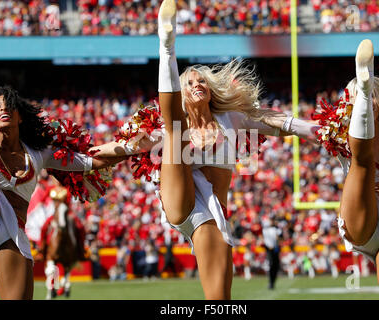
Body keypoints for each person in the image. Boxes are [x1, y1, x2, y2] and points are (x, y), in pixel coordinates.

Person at [92, 0, 287, 299]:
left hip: (212, 213)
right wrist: (86, 157)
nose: (198, 84)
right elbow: (124, 147)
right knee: (175, 130)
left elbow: (283, 124)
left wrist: (325, 131)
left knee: (221, 297)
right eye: (191, 82)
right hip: (181, 203)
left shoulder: (231, 121)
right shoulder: (171, 129)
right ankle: (166, 46)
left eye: (202, 81)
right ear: (181, 93)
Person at [262, 39, 379, 299]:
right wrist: (247, 115)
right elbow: (290, 124)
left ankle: (365, 83)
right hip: (359, 219)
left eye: (369, 97)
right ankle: (363, 81)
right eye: (352, 99)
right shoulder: (338, 135)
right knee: (361, 160)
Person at [0, 36, 120, 300]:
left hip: (10, 234)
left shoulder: (38, 153)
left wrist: (136, 146)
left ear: (20, 115)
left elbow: (92, 161)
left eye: (9, 105)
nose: (3, 109)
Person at [262, 217, 280, 289]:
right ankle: (270, 282)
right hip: (269, 249)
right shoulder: (265, 230)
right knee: (271, 265)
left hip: (275, 249)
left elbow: (278, 238)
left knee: (275, 266)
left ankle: (272, 282)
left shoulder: (275, 229)